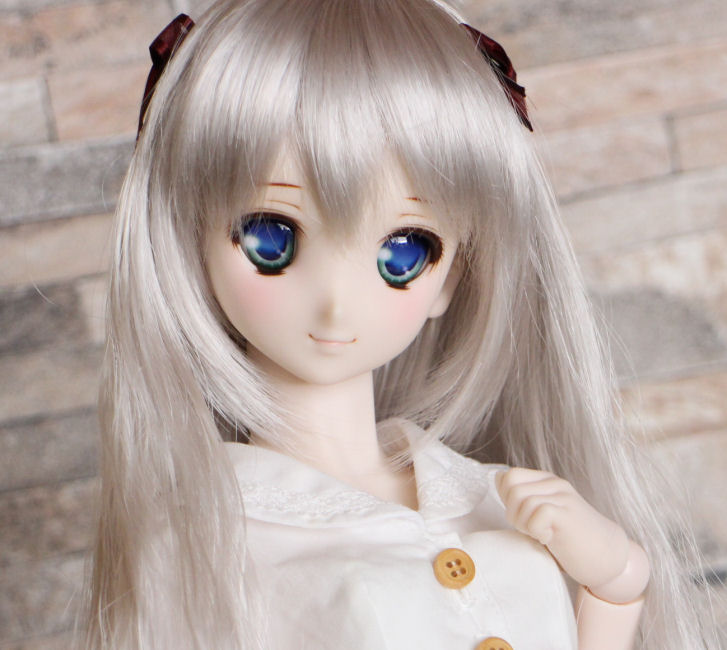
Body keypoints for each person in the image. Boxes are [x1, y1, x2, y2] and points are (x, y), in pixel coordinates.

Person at [80, 0, 719, 648]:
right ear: (188, 249)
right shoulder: (209, 536)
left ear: (450, 277)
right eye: (272, 239)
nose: (336, 304)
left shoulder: (486, 493)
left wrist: (616, 578)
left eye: (403, 252)